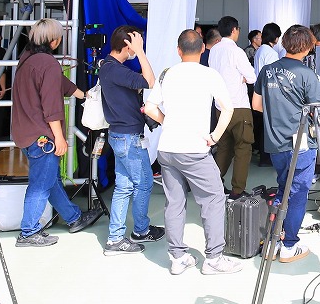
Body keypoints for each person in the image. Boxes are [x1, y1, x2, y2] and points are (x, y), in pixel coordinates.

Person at [142, 29, 242, 275]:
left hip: (167, 149)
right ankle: (214, 259)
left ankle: (177, 258)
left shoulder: (167, 74)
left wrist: (167, 122)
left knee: (174, 202)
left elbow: (150, 108)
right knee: (214, 198)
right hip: (194, 150)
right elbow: (227, 109)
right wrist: (214, 137)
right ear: (203, 50)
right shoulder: (210, 75)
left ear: (178, 50)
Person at [252, 25, 320, 264]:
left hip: (274, 143)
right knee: (298, 194)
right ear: (308, 47)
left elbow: (256, 106)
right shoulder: (307, 75)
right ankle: (289, 245)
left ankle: (272, 242)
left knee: (283, 189)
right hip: (300, 145)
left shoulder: (267, 71)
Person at [9, 17, 89, 247]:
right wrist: (60, 138)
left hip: (25, 133)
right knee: (40, 185)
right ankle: (29, 232)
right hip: (42, 136)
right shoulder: (49, 64)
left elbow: (60, 84)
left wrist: (83, 94)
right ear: (54, 41)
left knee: (50, 180)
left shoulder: (27, 60)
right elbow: (52, 105)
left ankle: (74, 217)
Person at [96, 25, 162, 256]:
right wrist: (141, 52)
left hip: (121, 135)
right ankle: (140, 231)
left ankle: (116, 237)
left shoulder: (109, 67)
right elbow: (150, 80)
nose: (138, 47)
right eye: (136, 43)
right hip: (128, 138)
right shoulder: (114, 70)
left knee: (124, 187)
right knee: (143, 183)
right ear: (128, 45)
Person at [208, 15, 257, 198]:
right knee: (243, 148)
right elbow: (252, 77)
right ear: (234, 30)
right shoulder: (236, 52)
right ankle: (237, 190)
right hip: (238, 107)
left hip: (220, 106)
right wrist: (242, 78)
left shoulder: (214, 51)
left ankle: (213, 184)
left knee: (223, 147)